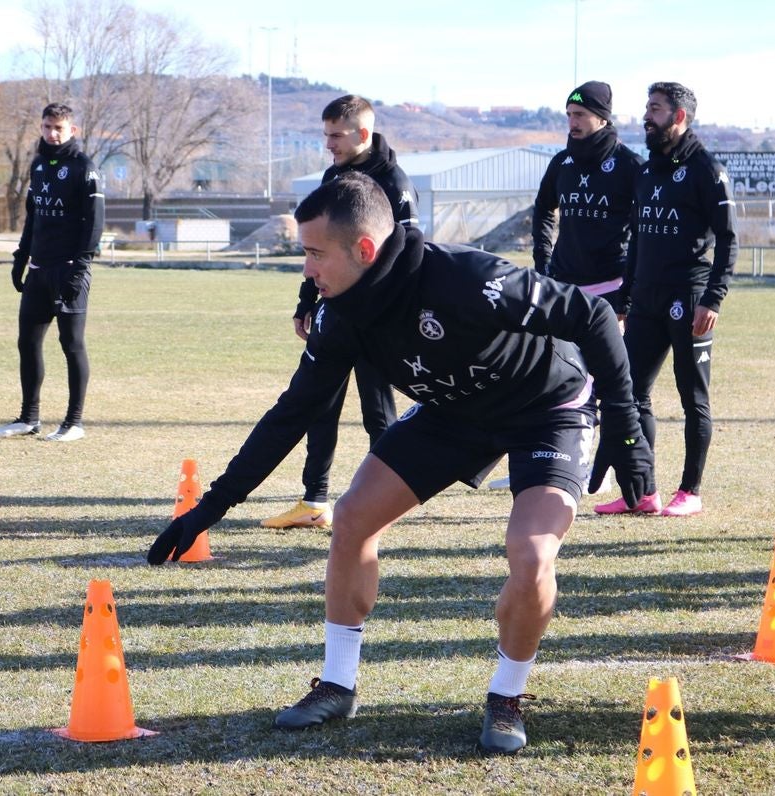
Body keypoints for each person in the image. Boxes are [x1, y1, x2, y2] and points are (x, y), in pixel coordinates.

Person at [148, 173, 652, 754]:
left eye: (314, 253)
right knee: (354, 517)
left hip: (546, 410)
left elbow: (591, 316)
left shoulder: (469, 279)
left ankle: (507, 695)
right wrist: (209, 510)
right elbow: (291, 414)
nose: (306, 269)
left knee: (533, 553)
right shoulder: (341, 317)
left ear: (364, 249)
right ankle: (338, 684)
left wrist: (626, 424)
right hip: (450, 413)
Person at [261, 94, 416, 530]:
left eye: (335, 135)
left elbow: (408, 256)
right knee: (319, 404)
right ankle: (315, 501)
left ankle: (391, 500)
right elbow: (319, 247)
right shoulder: (334, 175)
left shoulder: (395, 181)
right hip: (333, 311)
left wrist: (392, 316)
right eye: (325, 134)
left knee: (378, 412)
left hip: (376, 317)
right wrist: (306, 301)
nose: (328, 144)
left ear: (362, 134)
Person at [487, 81, 644, 493]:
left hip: (609, 291)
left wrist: (627, 293)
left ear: (602, 118)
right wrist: (543, 265)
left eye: (580, 115)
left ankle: (599, 466)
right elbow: (543, 209)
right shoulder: (562, 163)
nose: (572, 123)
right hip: (561, 291)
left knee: (604, 380)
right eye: (569, 116)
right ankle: (535, 459)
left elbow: (644, 234)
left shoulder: (628, 166)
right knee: (546, 375)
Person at [595, 82, 736, 518]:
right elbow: (638, 239)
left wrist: (712, 299)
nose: (645, 116)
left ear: (679, 117)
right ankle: (644, 491)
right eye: (646, 107)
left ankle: (690, 491)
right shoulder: (646, 170)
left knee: (692, 397)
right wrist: (624, 298)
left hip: (689, 298)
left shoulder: (706, 169)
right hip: (646, 300)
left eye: (654, 109)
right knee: (629, 393)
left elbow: (729, 239)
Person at [0, 102, 104, 442]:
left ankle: (74, 422)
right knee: (27, 343)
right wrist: (21, 257)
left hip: (69, 271)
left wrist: (80, 266)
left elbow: (95, 224)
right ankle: (29, 418)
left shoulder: (85, 168)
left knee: (71, 344)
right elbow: (33, 217)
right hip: (38, 271)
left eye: (59, 128)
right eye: (47, 127)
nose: (52, 134)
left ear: (72, 130)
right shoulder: (38, 166)